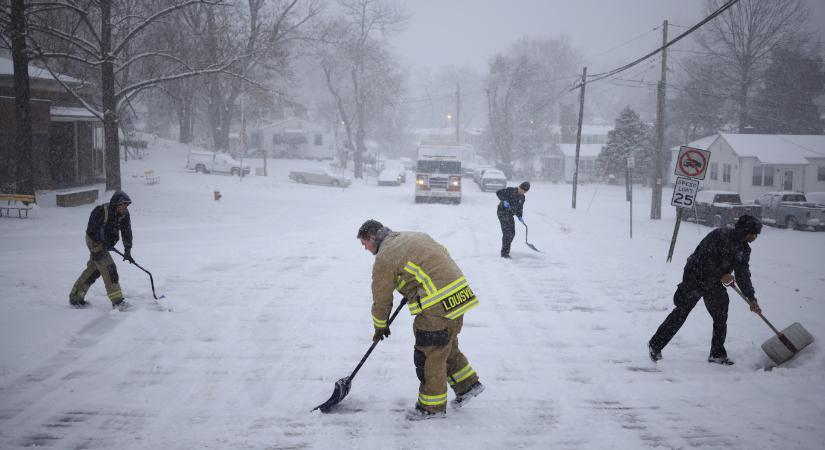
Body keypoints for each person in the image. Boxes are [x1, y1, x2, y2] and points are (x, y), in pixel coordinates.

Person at [357, 219, 484, 420]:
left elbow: (381, 299)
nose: (365, 249)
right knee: (445, 345)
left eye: (365, 244)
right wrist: (414, 287)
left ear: (373, 237)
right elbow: (440, 257)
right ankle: (467, 385)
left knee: (429, 354)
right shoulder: (414, 236)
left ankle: (431, 408)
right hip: (460, 295)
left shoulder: (385, 257)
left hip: (436, 304)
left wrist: (380, 326)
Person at [648, 215, 763, 365]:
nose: (755, 237)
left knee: (721, 314)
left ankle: (717, 353)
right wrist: (722, 274)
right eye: (753, 233)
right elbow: (702, 258)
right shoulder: (719, 235)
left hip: (714, 282)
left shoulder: (744, 249)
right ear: (744, 230)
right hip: (695, 276)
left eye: (756, 235)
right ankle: (655, 345)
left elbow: (743, 274)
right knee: (682, 311)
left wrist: (751, 298)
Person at [69, 191, 135, 311]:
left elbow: (127, 231)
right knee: (110, 269)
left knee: (94, 270)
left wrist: (128, 250)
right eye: (123, 205)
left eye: (126, 205)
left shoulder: (124, 214)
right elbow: (91, 230)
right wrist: (102, 242)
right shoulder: (101, 211)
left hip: (105, 243)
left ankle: (75, 297)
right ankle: (117, 301)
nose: (125, 208)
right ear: (116, 204)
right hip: (94, 242)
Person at [496, 181, 530, 258]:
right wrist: (504, 200)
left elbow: (520, 208)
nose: (522, 192)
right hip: (502, 212)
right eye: (522, 189)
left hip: (510, 214)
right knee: (507, 233)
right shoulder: (510, 190)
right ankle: (504, 253)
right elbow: (498, 193)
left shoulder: (522, 197)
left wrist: (520, 216)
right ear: (519, 187)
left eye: (525, 191)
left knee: (512, 233)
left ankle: (506, 250)